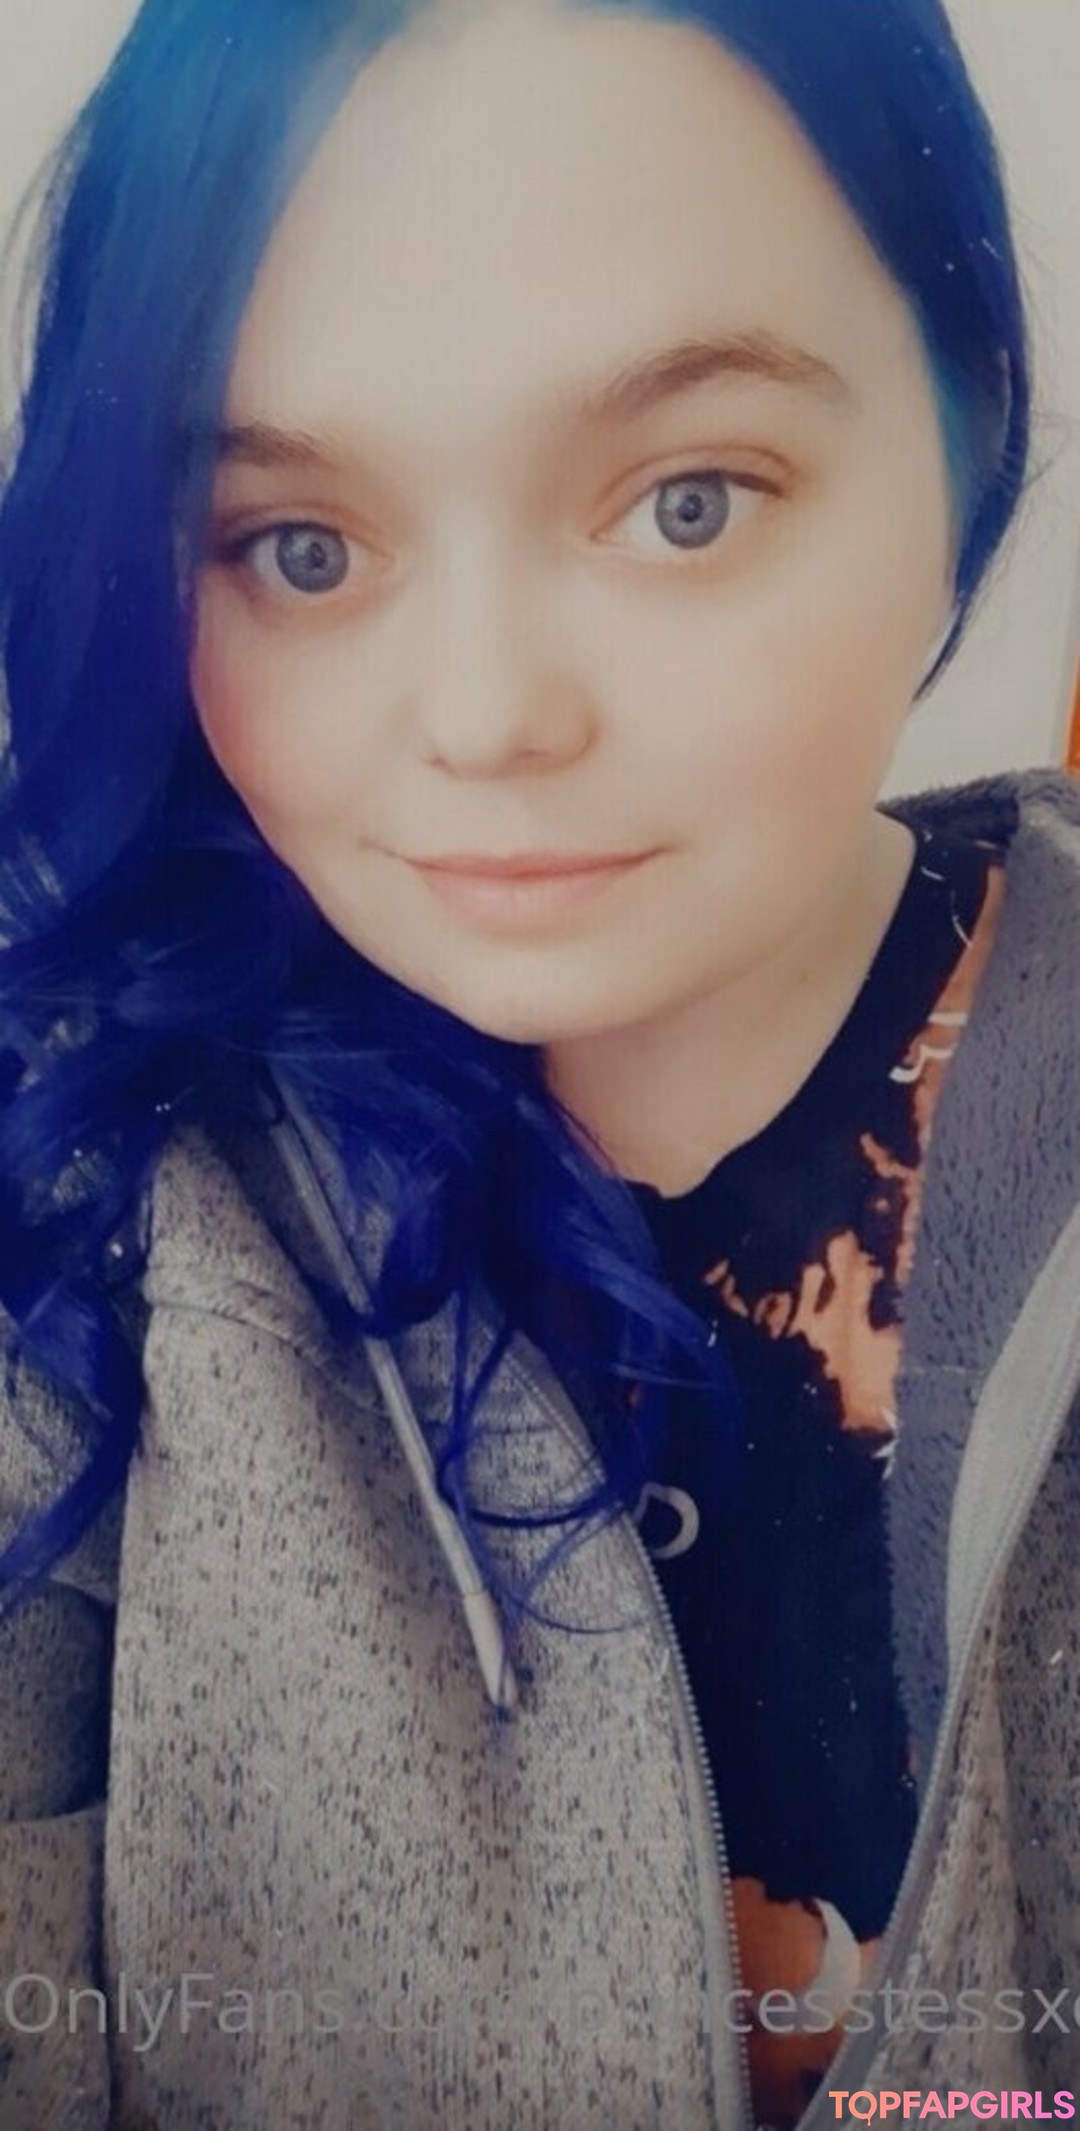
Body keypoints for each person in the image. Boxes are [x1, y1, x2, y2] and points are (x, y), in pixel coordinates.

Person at [0, 0, 1077, 2124]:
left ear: (968, 451)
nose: (487, 717)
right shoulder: (90, 1175)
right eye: (301, 549)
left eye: (685, 502)